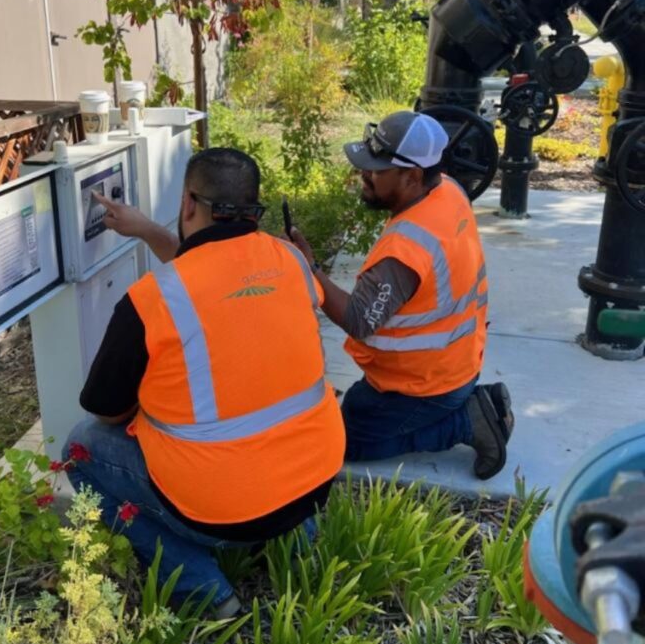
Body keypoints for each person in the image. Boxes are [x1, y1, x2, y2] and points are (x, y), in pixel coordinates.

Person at [62, 147, 345, 615]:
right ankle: (299, 549)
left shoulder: (148, 302)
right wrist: (149, 231)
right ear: (254, 206)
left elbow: (108, 411)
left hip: (219, 514)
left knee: (81, 446)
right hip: (312, 486)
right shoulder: (292, 262)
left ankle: (204, 592)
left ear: (188, 205)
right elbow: (227, 282)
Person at [290, 110, 514, 480]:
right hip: (451, 364)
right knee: (355, 409)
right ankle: (475, 402)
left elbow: (360, 320)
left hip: (423, 386)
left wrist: (309, 270)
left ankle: (467, 422)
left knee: (343, 444)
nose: (364, 174)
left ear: (412, 177)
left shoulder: (406, 248)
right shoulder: (448, 190)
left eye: (377, 170)